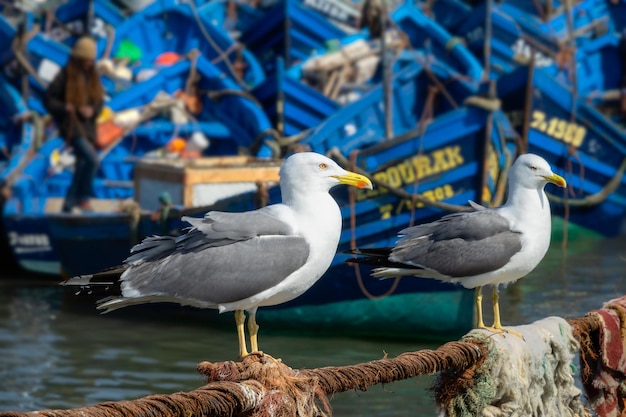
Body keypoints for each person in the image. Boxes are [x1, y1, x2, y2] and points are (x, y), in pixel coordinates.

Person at [44, 36, 104, 213]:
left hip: (88, 128)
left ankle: (70, 203)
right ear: (78, 60)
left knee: (83, 165)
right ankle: (83, 199)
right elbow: (48, 100)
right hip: (72, 127)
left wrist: (92, 111)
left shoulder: (93, 77)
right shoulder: (64, 76)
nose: (88, 64)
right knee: (92, 160)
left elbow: (99, 102)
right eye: (85, 61)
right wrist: (65, 107)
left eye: (90, 61)